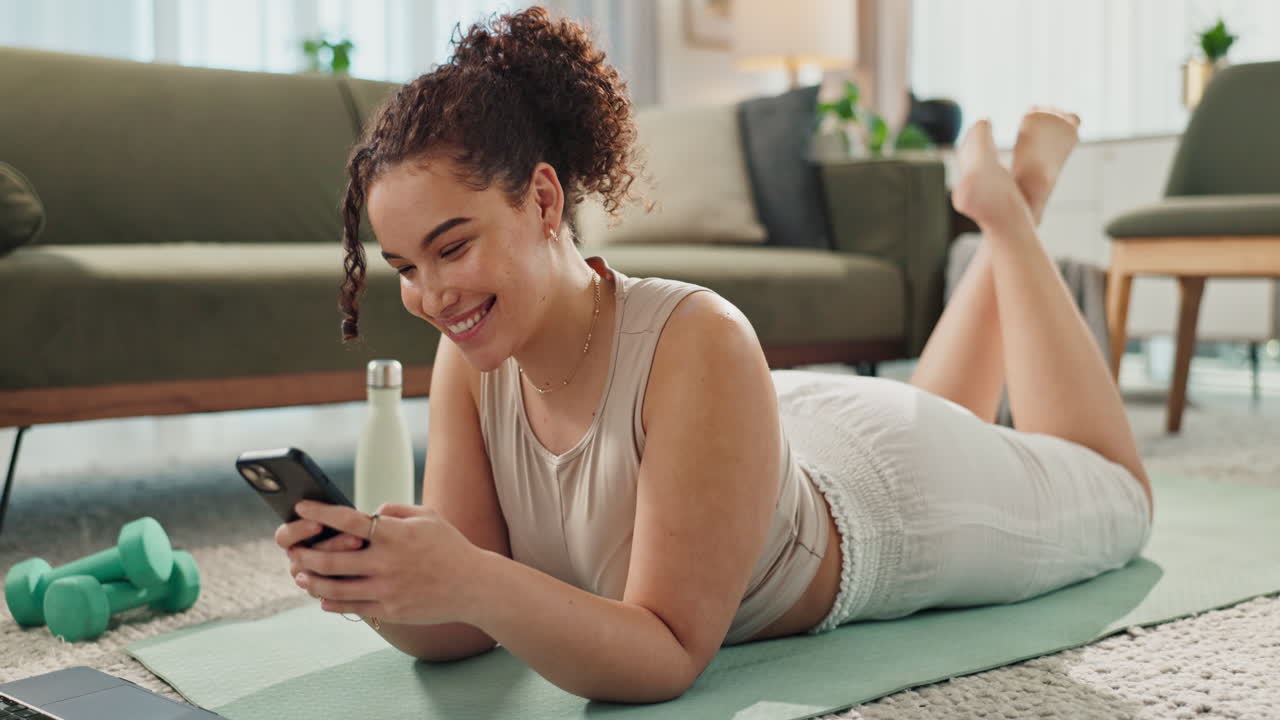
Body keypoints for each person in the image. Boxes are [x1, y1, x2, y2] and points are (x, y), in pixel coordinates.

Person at [274, 6, 1154, 704]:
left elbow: (663, 653)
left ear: (543, 200)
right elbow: (467, 624)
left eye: (452, 247)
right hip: (765, 444)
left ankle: (1004, 209)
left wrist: (469, 576)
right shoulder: (473, 356)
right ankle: (1010, 210)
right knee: (951, 411)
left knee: (1118, 499)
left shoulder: (699, 338)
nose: (430, 296)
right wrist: (381, 583)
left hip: (889, 499)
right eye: (403, 268)